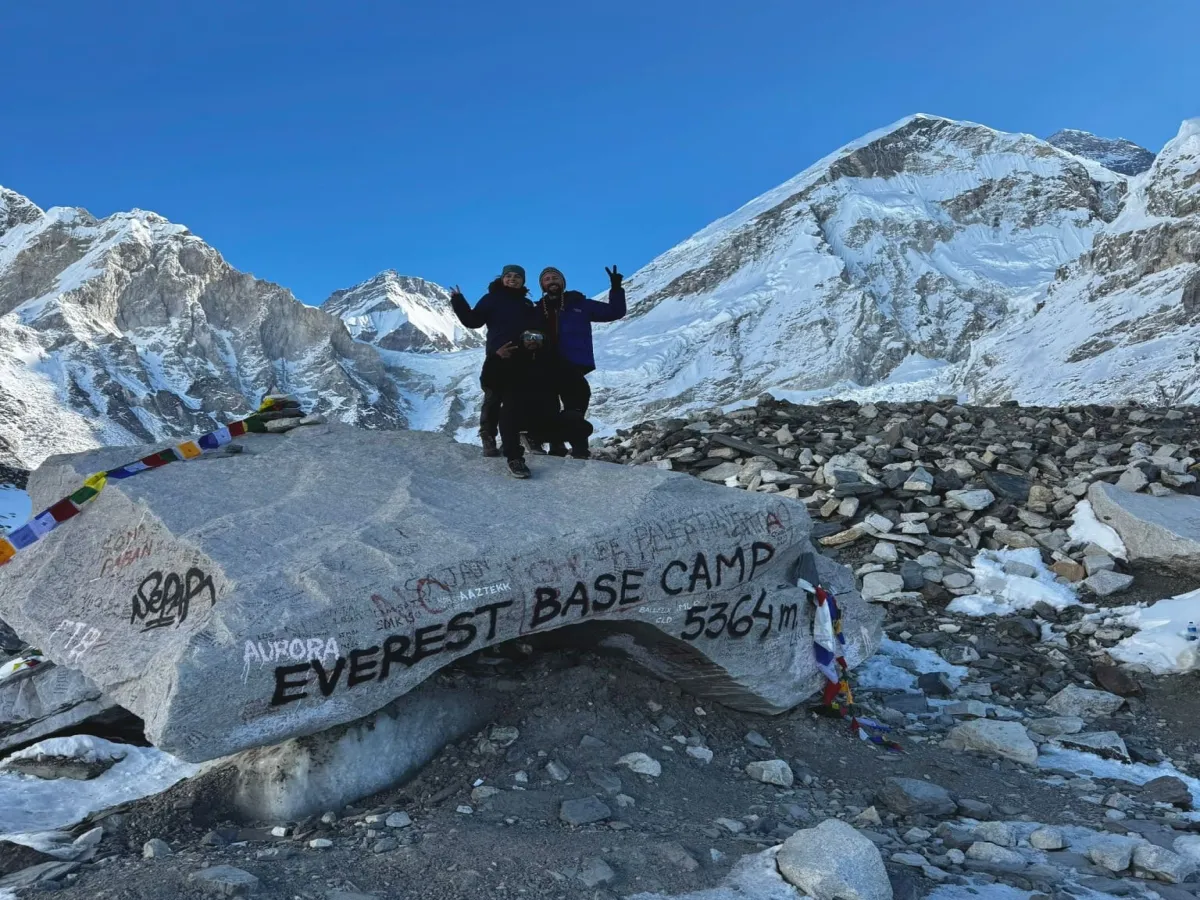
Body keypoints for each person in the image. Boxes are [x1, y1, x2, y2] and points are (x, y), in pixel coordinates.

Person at [449, 266, 539, 457]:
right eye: (508, 276)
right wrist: (458, 300)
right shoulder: (492, 299)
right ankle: (488, 437)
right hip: (497, 357)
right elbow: (473, 321)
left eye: (517, 277)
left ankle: (514, 441)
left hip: (522, 359)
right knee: (493, 398)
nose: (512, 279)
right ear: (502, 279)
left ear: (523, 281)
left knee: (517, 401)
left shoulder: (527, 304)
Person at [484, 329, 593, 478]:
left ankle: (581, 455)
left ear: (544, 340)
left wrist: (574, 409)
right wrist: (495, 358)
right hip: (518, 419)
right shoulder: (510, 361)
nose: (532, 340)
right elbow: (489, 382)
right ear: (522, 340)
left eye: (537, 337)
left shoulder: (555, 362)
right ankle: (515, 459)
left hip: (547, 420)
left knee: (578, 423)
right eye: (528, 337)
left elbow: (577, 385)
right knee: (507, 413)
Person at [536, 264, 626, 431]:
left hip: (573, 362)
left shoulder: (580, 304)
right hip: (546, 364)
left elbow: (615, 311)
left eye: (555, 278)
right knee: (549, 406)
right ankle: (557, 446)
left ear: (563, 282)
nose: (552, 281)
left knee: (576, 404)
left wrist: (616, 288)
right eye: (547, 279)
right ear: (542, 285)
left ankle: (580, 449)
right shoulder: (537, 309)